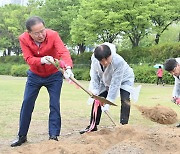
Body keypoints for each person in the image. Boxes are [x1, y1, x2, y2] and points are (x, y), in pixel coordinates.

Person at [11, 16, 73, 147]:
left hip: (54, 75)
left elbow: (63, 52)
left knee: (54, 104)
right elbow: (28, 58)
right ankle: (22, 136)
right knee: (27, 103)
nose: (41, 35)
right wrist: (41, 60)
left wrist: (68, 68)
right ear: (29, 33)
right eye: (36, 33)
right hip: (34, 75)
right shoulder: (23, 39)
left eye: (42, 31)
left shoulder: (53, 35)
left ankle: (53, 136)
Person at [79, 42, 134, 134]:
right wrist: (95, 90)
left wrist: (109, 102)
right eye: (101, 61)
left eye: (106, 60)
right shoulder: (95, 59)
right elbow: (94, 74)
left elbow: (115, 83)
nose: (104, 63)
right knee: (98, 98)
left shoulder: (118, 61)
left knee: (125, 100)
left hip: (124, 79)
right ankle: (93, 125)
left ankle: (124, 126)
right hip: (105, 80)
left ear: (110, 55)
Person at [164, 58, 180, 127]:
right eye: (170, 72)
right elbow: (177, 84)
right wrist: (175, 96)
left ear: (178, 65)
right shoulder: (176, 73)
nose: (173, 73)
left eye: (173, 71)